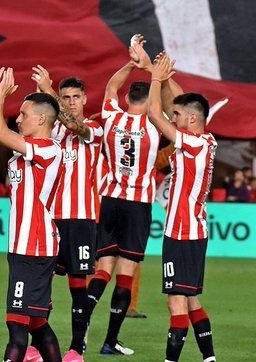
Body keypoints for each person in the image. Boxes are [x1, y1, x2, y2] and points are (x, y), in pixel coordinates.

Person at [81, 34, 161, 356]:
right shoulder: (156, 124)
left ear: (129, 96)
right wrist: (151, 67)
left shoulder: (112, 116)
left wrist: (131, 62)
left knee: (103, 269)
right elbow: (166, 103)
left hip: (110, 199)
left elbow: (111, 87)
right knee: (126, 274)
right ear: (149, 102)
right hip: (138, 203)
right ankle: (110, 341)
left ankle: (81, 330)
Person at [0, 59, 63, 362]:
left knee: (16, 326)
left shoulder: (49, 149)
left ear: (41, 120)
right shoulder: (25, 149)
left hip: (35, 248)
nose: (19, 119)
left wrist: (2, 94)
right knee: (38, 324)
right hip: (22, 247)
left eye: (24, 115)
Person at [145, 52, 217, 362]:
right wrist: (157, 69)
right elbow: (186, 103)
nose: (172, 119)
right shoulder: (207, 139)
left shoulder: (193, 143)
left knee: (176, 302)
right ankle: (209, 358)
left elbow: (153, 113)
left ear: (189, 121)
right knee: (190, 301)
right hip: (193, 231)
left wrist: (155, 79)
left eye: (177, 116)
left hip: (182, 234)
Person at [31, 68, 103, 361]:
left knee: (78, 288)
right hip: (50, 216)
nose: (71, 102)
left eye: (75, 97)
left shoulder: (95, 128)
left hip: (80, 218)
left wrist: (49, 92)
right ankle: (36, 345)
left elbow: (76, 126)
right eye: (65, 97)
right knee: (40, 287)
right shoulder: (52, 130)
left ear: (85, 98)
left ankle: (76, 349)